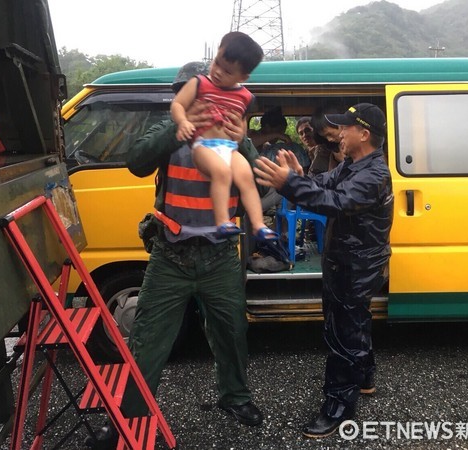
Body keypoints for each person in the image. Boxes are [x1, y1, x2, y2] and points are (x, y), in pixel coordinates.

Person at [85, 62, 265, 449]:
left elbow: (259, 185)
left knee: (232, 332)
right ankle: (127, 417)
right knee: (147, 340)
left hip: (219, 259)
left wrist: (244, 140)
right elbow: (136, 161)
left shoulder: (234, 135)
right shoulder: (167, 131)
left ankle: (235, 397)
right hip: (171, 257)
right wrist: (177, 127)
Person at [254, 103, 393, 439]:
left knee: (341, 332)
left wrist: (289, 185)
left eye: (344, 129)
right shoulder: (352, 165)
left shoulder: (374, 174)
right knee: (355, 321)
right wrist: (300, 178)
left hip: (356, 264)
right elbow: (323, 184)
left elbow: (335, 203)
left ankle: (337, 408)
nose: (337, 135)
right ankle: (365, 378)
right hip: (349, 259)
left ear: (363, 133)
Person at [170, 32, 277, 241]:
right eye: (216, 63)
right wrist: (183, 122)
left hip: (229, 148)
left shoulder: (245, 96)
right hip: (204, 145)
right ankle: (222, 222)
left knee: (246, 177)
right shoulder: (199, 83)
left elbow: (242, 126)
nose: (217, 72)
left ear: (242, 77)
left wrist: (240, 136)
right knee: (222, 173)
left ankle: (258, 225)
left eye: (227, 71)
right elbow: (177, 105)